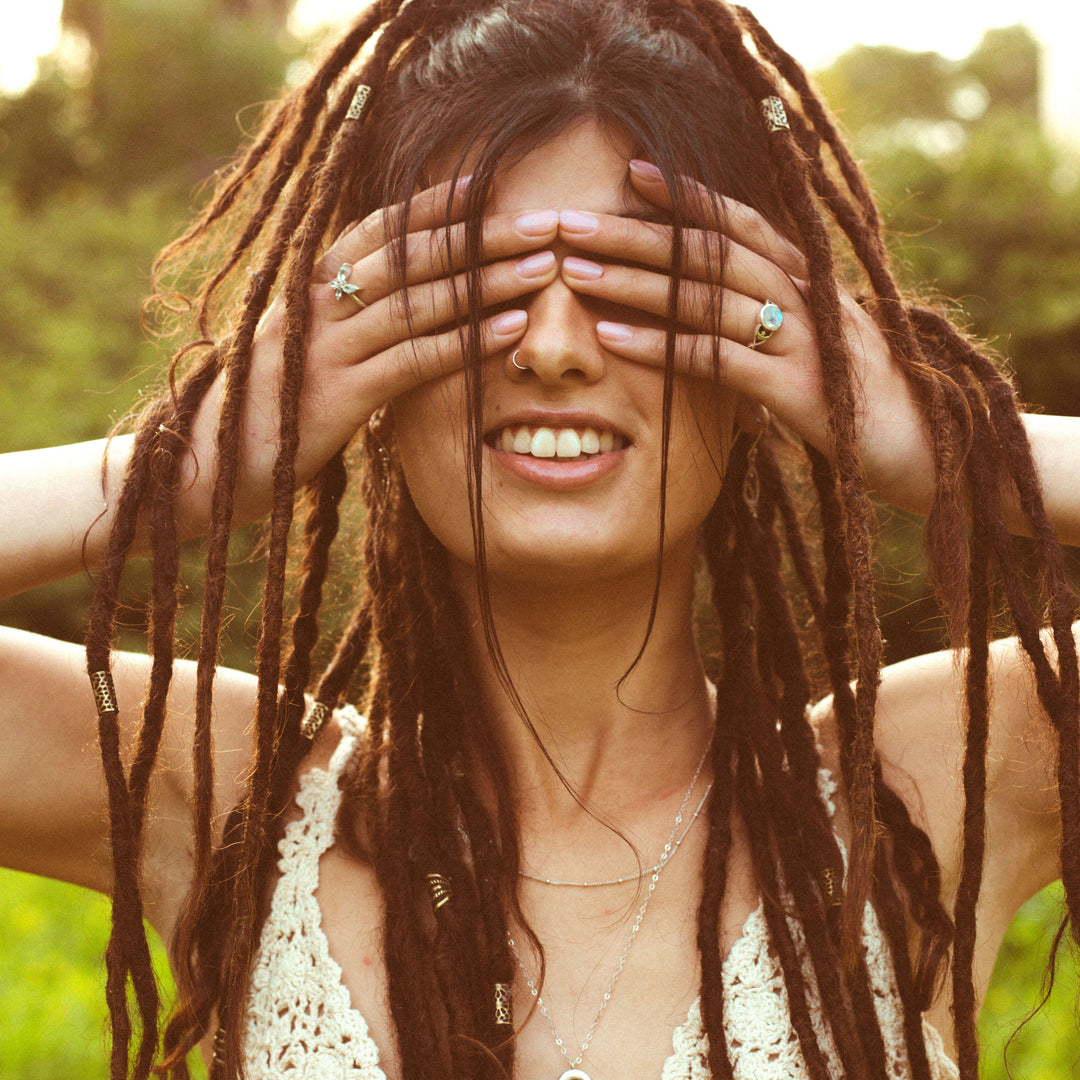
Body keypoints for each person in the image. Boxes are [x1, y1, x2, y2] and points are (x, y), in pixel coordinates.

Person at [1, 0, 1078, 1078]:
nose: (555, 347)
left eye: (633, 286)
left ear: (764, 353)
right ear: (363, 354)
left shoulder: (936, 782)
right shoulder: (233, 798)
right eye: (481, 288)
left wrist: (946, 446)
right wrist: (182, 468)